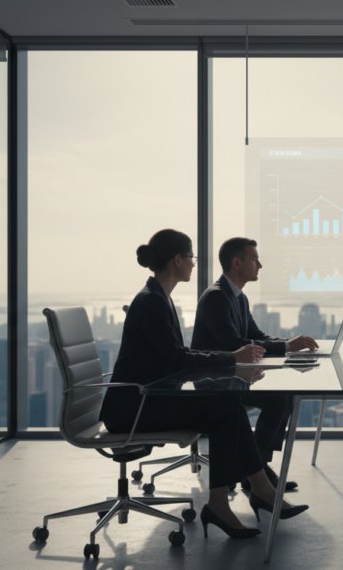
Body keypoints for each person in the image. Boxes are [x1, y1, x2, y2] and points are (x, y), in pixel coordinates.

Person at [99, 229, 308, 540]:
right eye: (191, 257)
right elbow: (177, 358)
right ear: (177, 260)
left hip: (149, 399)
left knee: (228, 407)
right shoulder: (151, 302)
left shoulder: (158, 298)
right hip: (135, 407)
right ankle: (253, 490)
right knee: (227, 406)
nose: (194, 263)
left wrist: (237, 360)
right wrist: (231, 359)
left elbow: (176, 357)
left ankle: (232, 498)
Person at [191, 237, 319, 492]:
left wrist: (289, 344)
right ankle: (256, 472)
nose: (260, 265)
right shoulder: (216, 297)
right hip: (214, 383)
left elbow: (257, 336)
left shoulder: (239, 297)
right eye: (254, 259)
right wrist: (287, 347)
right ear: (237, 263)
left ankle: (257, 469)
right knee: (278, 400)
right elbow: (234, 344)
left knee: (284, 398)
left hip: (234, 377)